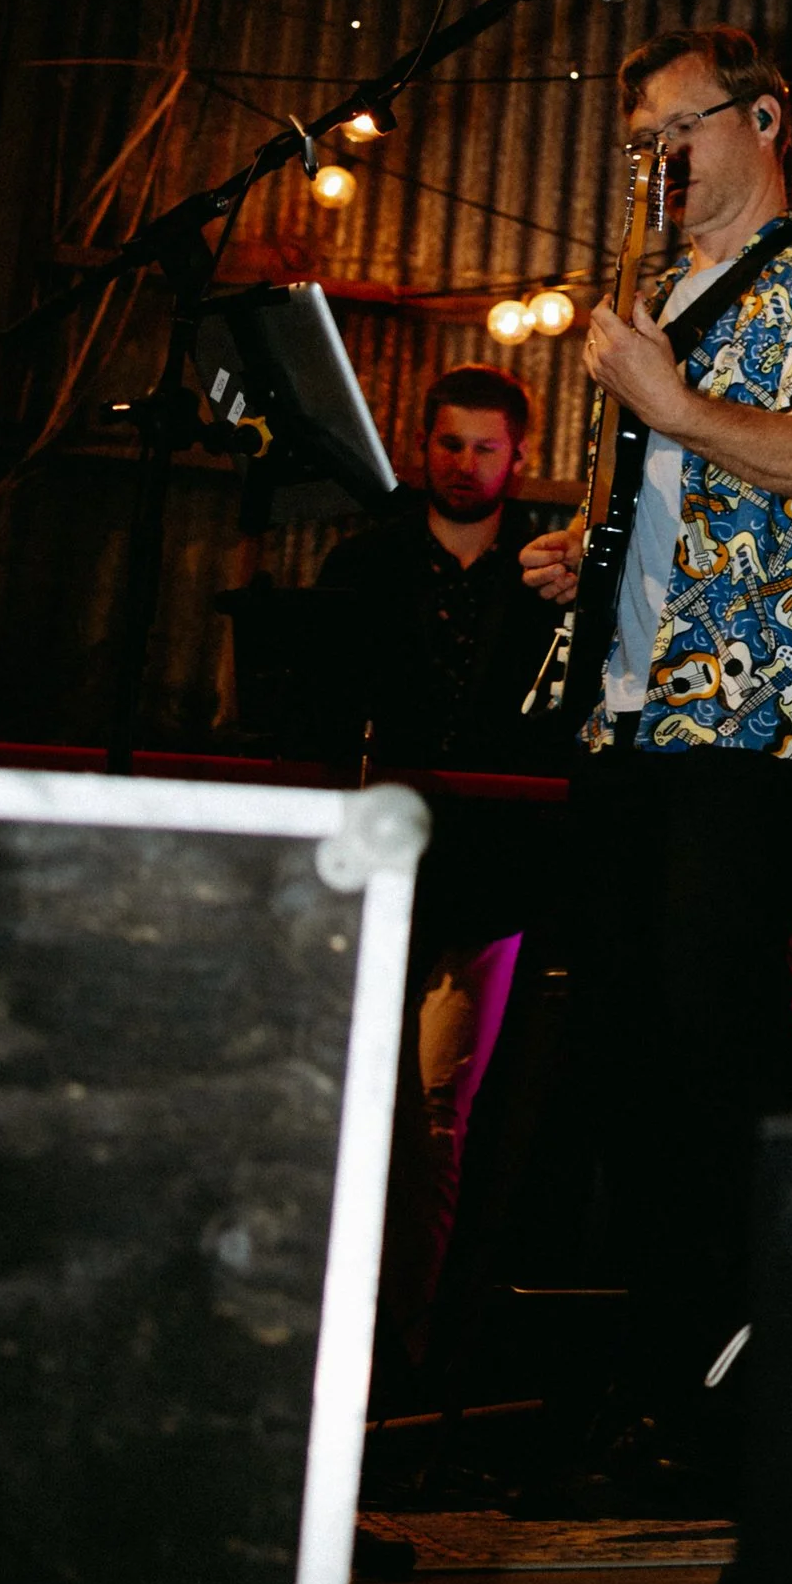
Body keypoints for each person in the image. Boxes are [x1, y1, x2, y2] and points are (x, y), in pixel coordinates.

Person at [521, 24, 792, 1459]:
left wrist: (673, 406)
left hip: (749, 710)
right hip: (631, 713)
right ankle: (661, 1361)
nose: (659, 160)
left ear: (764, 119)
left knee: (718, 1026)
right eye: (640, 141)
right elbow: (692, 494)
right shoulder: (661, 293)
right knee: (624, 1042)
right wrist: (593, 547)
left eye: (680, 127)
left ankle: (771, 1366)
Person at [318, 361, 556, 1347]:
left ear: (516, 456)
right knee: (364, 1098)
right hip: (380, 863)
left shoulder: (541, 579)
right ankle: (355, 1322)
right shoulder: (366, 566)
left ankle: (402, 1334)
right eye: (449, 444)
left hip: (487, 878)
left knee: (434, 1107)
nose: (463, 465)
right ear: (423, 447)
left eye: (484, 448)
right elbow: (324, 707)